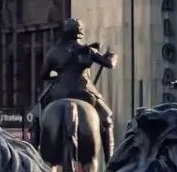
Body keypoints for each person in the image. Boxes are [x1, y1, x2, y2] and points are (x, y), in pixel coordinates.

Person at [29, 18, 116, 157]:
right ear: (80, 33)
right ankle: (110, 161)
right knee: (106, 119)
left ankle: (32, 155)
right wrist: (112, 55)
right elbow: (109, 63)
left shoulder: (54, 52)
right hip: (83, 91)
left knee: (36, 119)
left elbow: (43, 74)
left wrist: (56, 77)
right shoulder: (88, 50)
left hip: (58, 91)